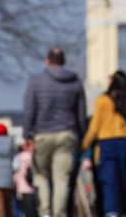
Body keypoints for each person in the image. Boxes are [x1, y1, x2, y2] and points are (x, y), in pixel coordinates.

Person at [22, 47, 87, 217]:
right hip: (67, 135)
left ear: (47, 61)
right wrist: (82, 137)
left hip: (42, 135)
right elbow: (81, 114)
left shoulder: (36, 82)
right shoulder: (75, 82)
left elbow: (30, 110)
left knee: (41, 175)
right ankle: (59, 213)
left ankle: (44, 212)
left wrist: (27, 135)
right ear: (64, 62)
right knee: (62, 178)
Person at [82, 70, 126, 217]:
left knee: (110, 183)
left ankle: (111, 213)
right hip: (125, 144)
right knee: (125, 182)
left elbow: (94, 127)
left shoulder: (102, 100)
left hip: (106, 145)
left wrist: (84, 145)